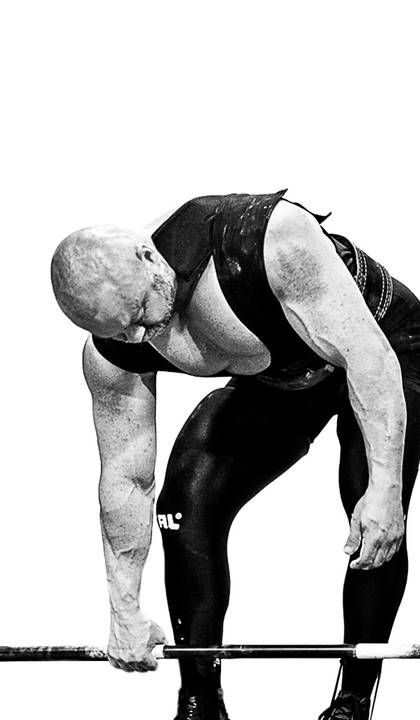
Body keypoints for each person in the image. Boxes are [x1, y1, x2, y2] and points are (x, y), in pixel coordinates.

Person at [50, 190, 420, 720]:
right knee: (186, 502)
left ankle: (353, 700)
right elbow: (126, 481)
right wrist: (124, 609)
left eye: (136, 313)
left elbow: (368, 360)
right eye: (115, 329)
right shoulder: (113, 349)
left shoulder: (264, 241)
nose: (134, 335)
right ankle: (200, 702)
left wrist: (385, 491)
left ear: (149, 258)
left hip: (386, 347)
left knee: (370, 505)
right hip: (286, 378)